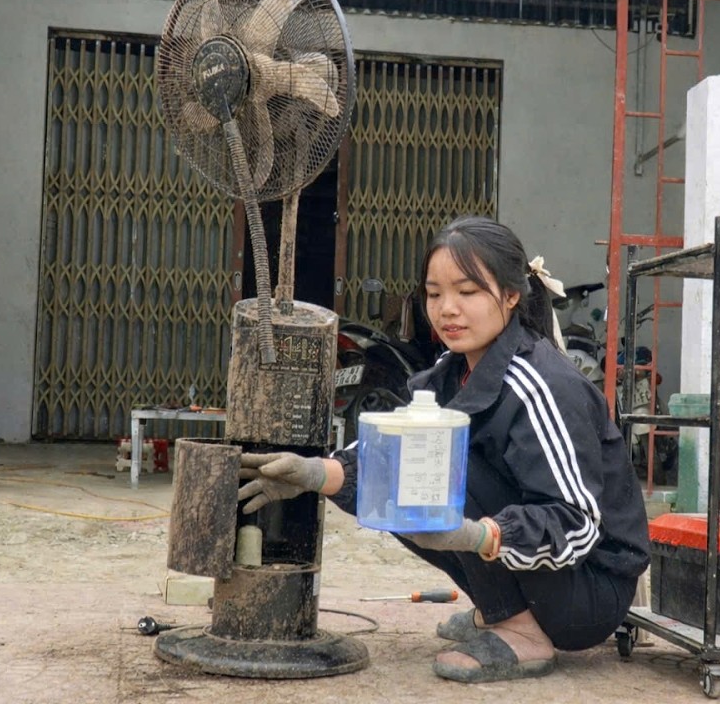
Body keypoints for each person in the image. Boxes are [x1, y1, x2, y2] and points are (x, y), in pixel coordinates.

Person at [237, 215, 651, 683]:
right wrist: (312, 474)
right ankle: (502, 609)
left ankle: (523, 632)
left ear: (511, 295)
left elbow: (577, 524)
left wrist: (479, 536)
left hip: (588, 592)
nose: (447, 309)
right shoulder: (448, 371)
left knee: (440, 454)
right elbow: (383, 457)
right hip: (549, 578)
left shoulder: (541, 386)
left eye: (468, 292)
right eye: (435, 294)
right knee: (398, 479)